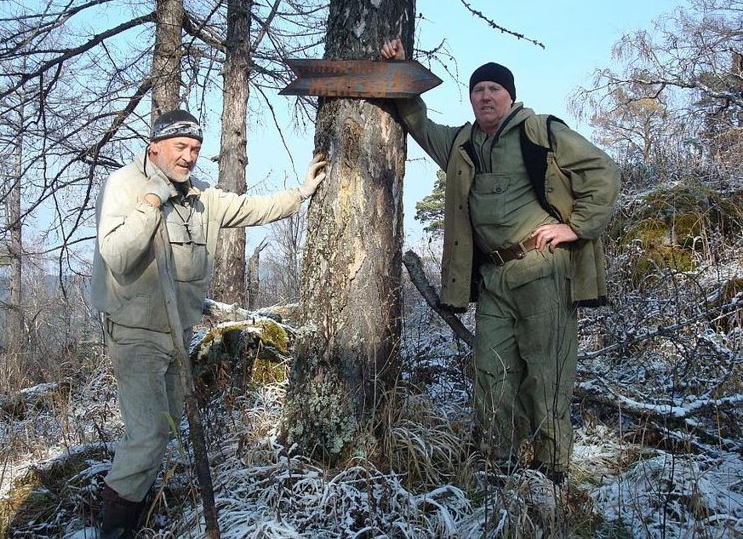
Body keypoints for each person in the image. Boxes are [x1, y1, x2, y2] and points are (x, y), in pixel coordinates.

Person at [381, 39, 619, 483]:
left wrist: (577, 226)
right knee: (492, 370)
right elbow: (416, 120)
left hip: (543, 270)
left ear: (510, 95)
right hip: (493, 278)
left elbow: (603, 170)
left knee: (545, 373)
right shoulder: (462, 143)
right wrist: (400, 72)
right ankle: (501, 463)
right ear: (470, 99)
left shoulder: (540, 131)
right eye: (478, 90)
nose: (485, 96)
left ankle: (552, 472)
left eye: (494, 88)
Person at [91, 108, 327, 537]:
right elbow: (119, 256)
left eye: (195, 149)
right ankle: (114, 529)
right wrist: (150, 204)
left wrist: (302, 193)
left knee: (163, 430)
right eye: (180, 147)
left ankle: (133, 511)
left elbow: (253, 208)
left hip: (178, 333)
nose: (188, 157)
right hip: (135, 331)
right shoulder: (125, 185)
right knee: (146, 435)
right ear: (155, 147)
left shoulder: (202, 196)